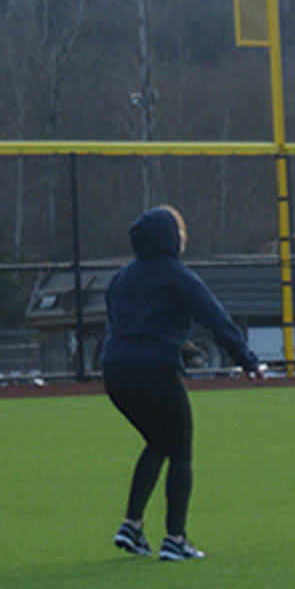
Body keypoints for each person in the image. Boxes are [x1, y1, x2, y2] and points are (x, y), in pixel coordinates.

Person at [99, 206, 263, 561]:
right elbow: (216, 320)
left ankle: (131, 525)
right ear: (171, 237)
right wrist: (247, 360)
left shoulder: (122, 277)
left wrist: (179, 345)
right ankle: (175, 539)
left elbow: (127, 323)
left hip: (114, 371)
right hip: (155, 370)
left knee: (158, 441)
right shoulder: (177, 275)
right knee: (180, 449)